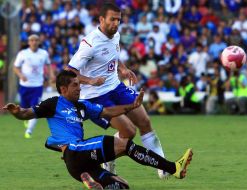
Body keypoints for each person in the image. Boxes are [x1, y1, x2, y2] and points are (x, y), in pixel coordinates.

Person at [2, 70, 193, 189]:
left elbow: (109, 111)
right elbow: (27, 114)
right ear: (63, 89)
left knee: (122, 186)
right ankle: (173, 168)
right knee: (124, 145)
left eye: (79, 85)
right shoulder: (53, 103)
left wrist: (132, 106)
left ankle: (89, 181)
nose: (79, 88)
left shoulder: (83, 106)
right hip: (74, 151)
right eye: (75, 85)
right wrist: (17, 112)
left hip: (81, 165)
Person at [67, 2, 169, 178]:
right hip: (96, 96)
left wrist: (122, 68)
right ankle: (109, 157)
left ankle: (164, 166)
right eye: (112, 19)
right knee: (129, 132)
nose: (115, 23)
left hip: (116, 87)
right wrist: (90, 80)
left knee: (144, 121)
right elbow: (70, 72)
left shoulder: (115, 35)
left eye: (118, 20)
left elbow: (112, 54)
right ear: (101, 19)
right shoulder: (89, 44)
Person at [13, 34, 54, 138]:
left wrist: (52, 75)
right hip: (25, 86)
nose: (34, 42)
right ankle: (26, 119)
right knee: (24, 108)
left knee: (35, 108)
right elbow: (15, 67)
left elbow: (48, 65)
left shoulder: (43, 53)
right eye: (32, 40)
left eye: (36, 40)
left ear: (39, 42)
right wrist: (20, 75)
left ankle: (29, 131)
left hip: (37, 86)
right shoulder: (23, 53)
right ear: (28, 42)